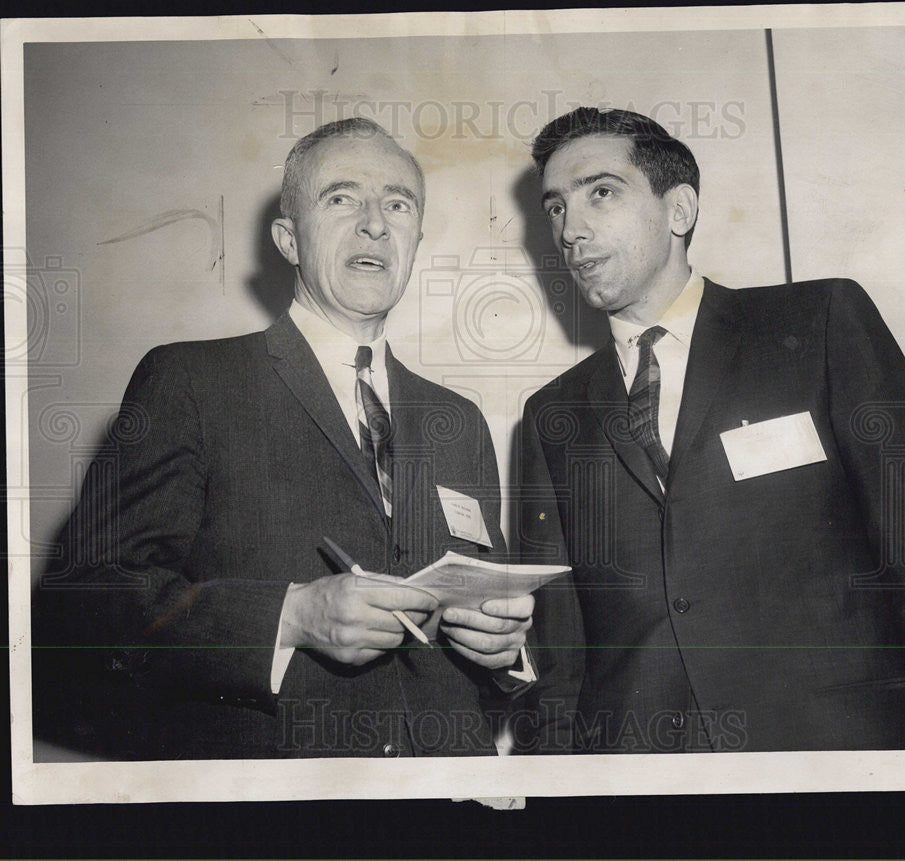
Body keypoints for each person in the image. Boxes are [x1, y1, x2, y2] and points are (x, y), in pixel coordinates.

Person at [33, 118, 533, 759]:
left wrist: (506, 651)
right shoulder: (189, 380)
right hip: (276, 817)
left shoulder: (457, 419)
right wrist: (288, 618)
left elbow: (486, 629)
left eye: (398, 204)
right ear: (288, 239)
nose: (376, 222)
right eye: (342, 197)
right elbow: (79, 607)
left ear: (415, 238)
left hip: (449, 810)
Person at [512, 107, 905, 753]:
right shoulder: (552, 413)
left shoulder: (821, 323)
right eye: (554, 207)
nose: (570, 230)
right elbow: (558, 659)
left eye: (600, 193)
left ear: (679, 210)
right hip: (641, 789)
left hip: (830, 764)